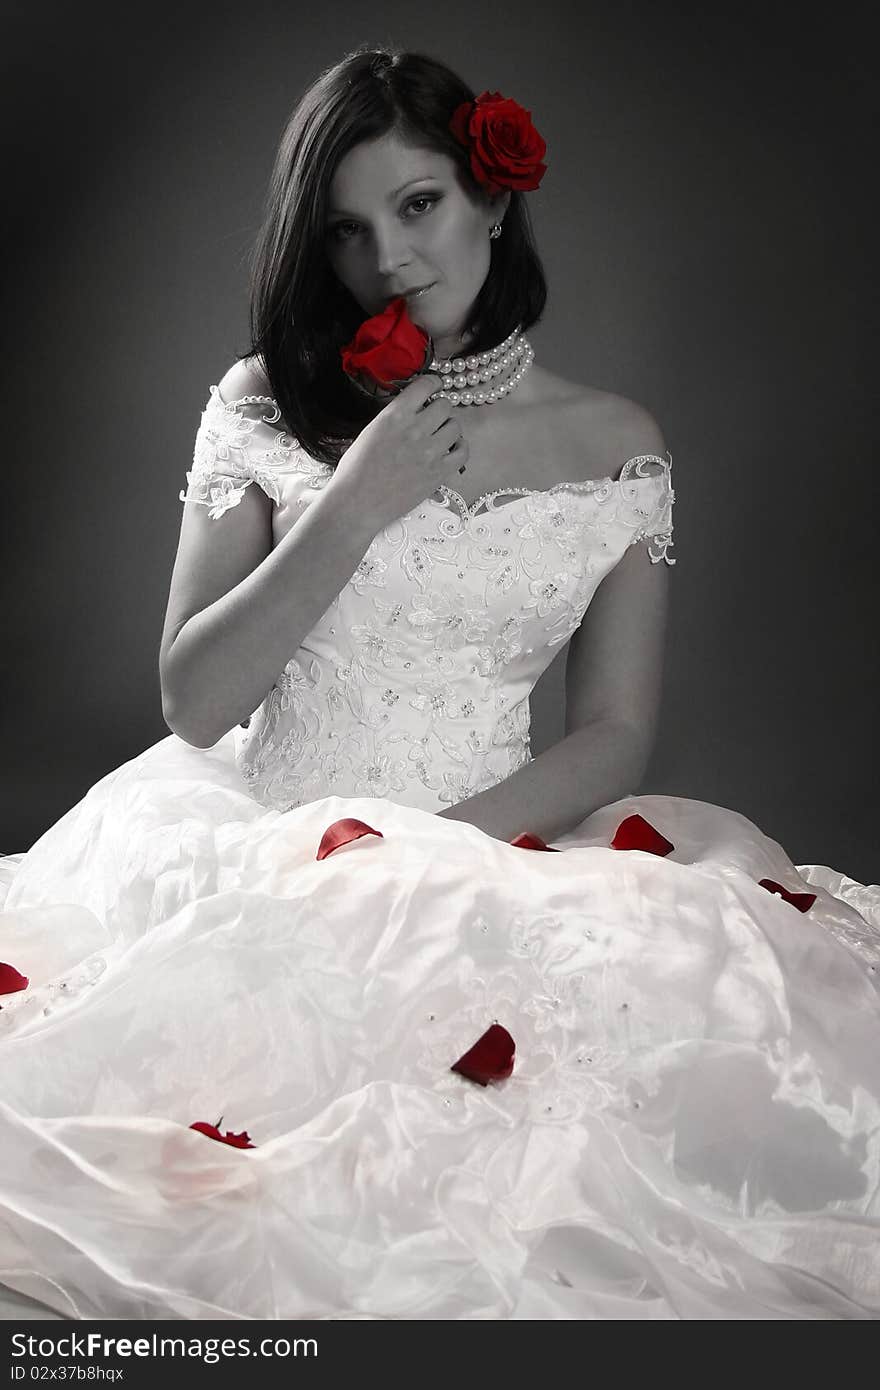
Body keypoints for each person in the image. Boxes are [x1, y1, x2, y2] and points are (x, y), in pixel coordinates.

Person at [0, 46, 877, 1323]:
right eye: (348, 231)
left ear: (491, 197)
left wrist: (429, 851)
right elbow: (193, 699)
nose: (390, 258)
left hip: (497, 837)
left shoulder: (617, 442)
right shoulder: (265, 403)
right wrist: (350, 506)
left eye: (418, 206)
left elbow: (617, 733)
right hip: (262, 830)